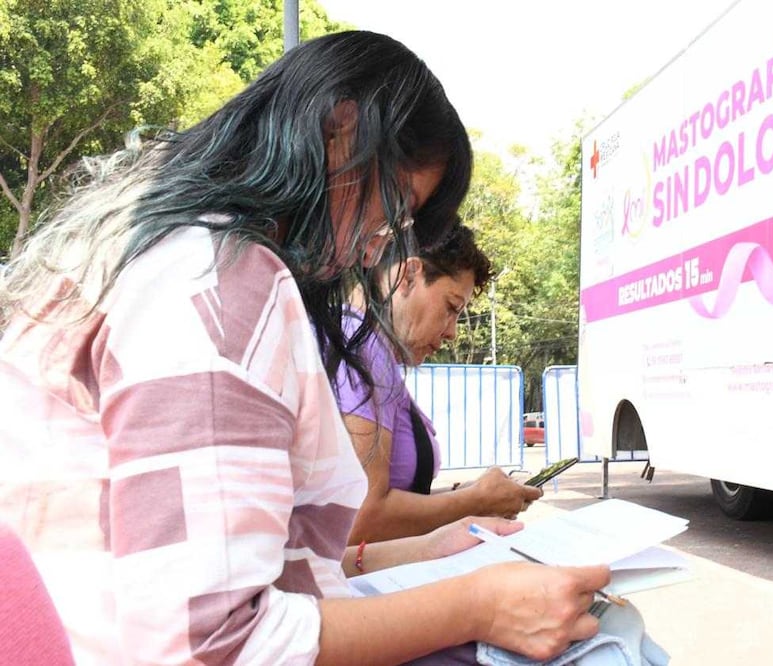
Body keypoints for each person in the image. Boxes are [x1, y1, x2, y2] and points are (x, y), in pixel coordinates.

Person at [0, 31, 610, 665]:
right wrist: (482, 605)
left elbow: (230, 564)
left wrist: (421, 550)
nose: (380, 248)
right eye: (394, 211)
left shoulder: (147, 245)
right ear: (340, 129)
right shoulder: (218, 281)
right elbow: (214, 643)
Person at [331, 219, 542, 545]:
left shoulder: (366, 346)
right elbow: (361, 519)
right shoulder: (361, 345)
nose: (451, 332)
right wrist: (475, 501)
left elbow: (394, 496)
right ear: (407, 276)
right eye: (451, 308)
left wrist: (470, 499)